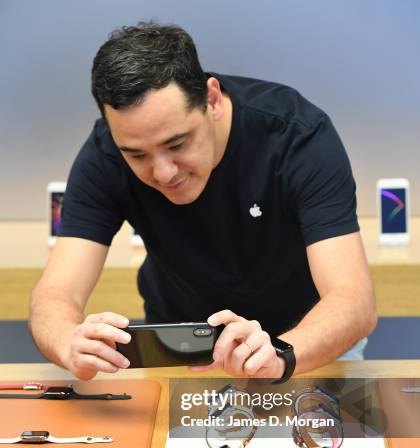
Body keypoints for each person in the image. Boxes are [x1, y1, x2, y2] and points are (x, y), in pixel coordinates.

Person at [29, 21, 377, 382]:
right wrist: (68, 341)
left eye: (177, 144)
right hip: (179, 350)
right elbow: (55, 293)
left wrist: (279, 353)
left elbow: (353, 300)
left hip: (305, 346)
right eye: (136, 155)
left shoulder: (297, 136)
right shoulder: (105, 153)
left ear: (212, 100)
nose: (163, 173)